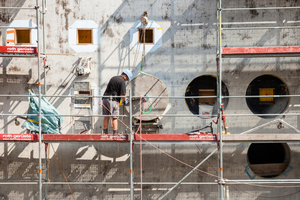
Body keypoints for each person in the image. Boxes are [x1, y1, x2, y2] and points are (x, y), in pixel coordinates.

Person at [102, 70, 132, 134]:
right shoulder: (122, 81)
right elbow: (122, 95)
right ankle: (115, 133)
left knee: (106, 116)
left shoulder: (113, 78)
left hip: (105, 99)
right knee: (115, 117)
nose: (126, 80)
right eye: (127, 78)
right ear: (124, 76)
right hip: (112, 100)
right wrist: (125, 100)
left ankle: (105, 132)